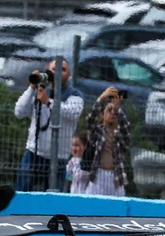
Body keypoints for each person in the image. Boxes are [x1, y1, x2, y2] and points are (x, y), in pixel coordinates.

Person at [14, 59, 82, 192]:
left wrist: (48, 102)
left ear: (69, 75)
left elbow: (73, 112)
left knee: (54, 200)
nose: (57, 73)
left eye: (62, 70)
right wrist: (31, 87)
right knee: (22, 193)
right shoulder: (40, 91)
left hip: (59, 158)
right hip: (34, 153)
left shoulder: (74, 95)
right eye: (54, 69)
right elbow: (19, 112)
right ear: (47, 71)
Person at [78, 87, 133, 197]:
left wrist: (117, 108)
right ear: (102, 115)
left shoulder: (121, 134)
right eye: (109, 110)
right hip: (98, 176)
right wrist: (102, 97)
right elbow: (90, 119)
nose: (113, 113)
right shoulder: (97, 132)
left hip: (116, 177)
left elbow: (126, 128)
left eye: (115, 112)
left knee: (117, 211)